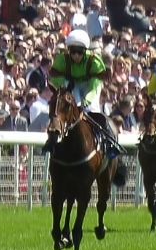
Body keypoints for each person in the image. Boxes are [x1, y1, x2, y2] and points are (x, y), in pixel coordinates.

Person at [44, 29, 120, 158]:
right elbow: (55, 78)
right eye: (73, 52)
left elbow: (95, 83)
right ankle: (52, 140)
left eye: (80, 52)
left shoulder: (94, 60)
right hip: (71, 83)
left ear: (85, 51)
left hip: (90, 84)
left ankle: (109, 143)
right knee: (67, 107)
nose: (76, 56)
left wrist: (88, 99)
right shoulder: (62, 60)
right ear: (69, 51)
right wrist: (66, 85)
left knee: (91, 110)